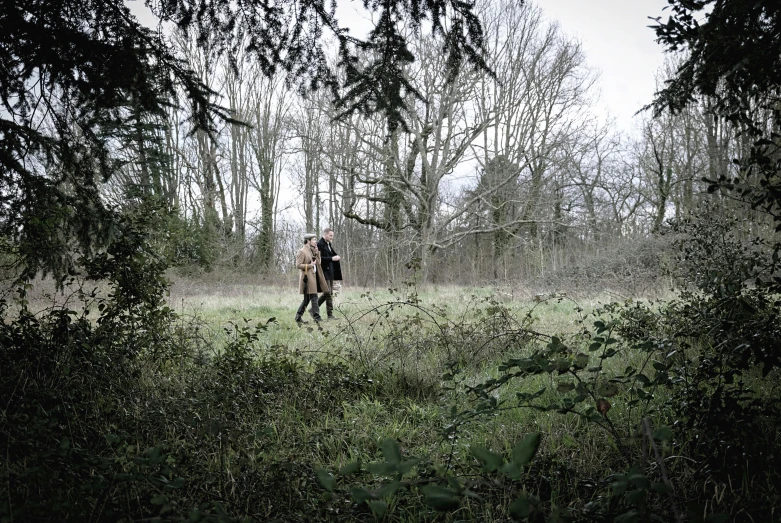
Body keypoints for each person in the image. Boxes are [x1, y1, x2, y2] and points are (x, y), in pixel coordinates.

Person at [295, 233, 328, 324]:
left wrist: (317, 252)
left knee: (307, 299)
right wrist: (310, 265)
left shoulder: (311, 250)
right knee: (314, 297)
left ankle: (298, 317)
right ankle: (317, 317)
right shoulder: (302, 251)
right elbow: (298, 265)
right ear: (308, 241)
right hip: (307, 278)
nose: (315, 242)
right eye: (313, 240)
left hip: (313, 278)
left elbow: (318, 262)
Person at [316, 227, 343, 320]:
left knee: (329, 293)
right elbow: (319, 259)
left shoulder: (328, 244)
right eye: (331, 235)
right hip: (324, 272)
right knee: (327, 293)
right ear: (325, 234)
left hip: (330, 272)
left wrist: (335, 257)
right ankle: (326, 314)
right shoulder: (319, 244)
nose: (332, 237)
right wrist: (332, 258)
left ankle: (328, 315)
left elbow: (331, 255)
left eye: (332, 236)